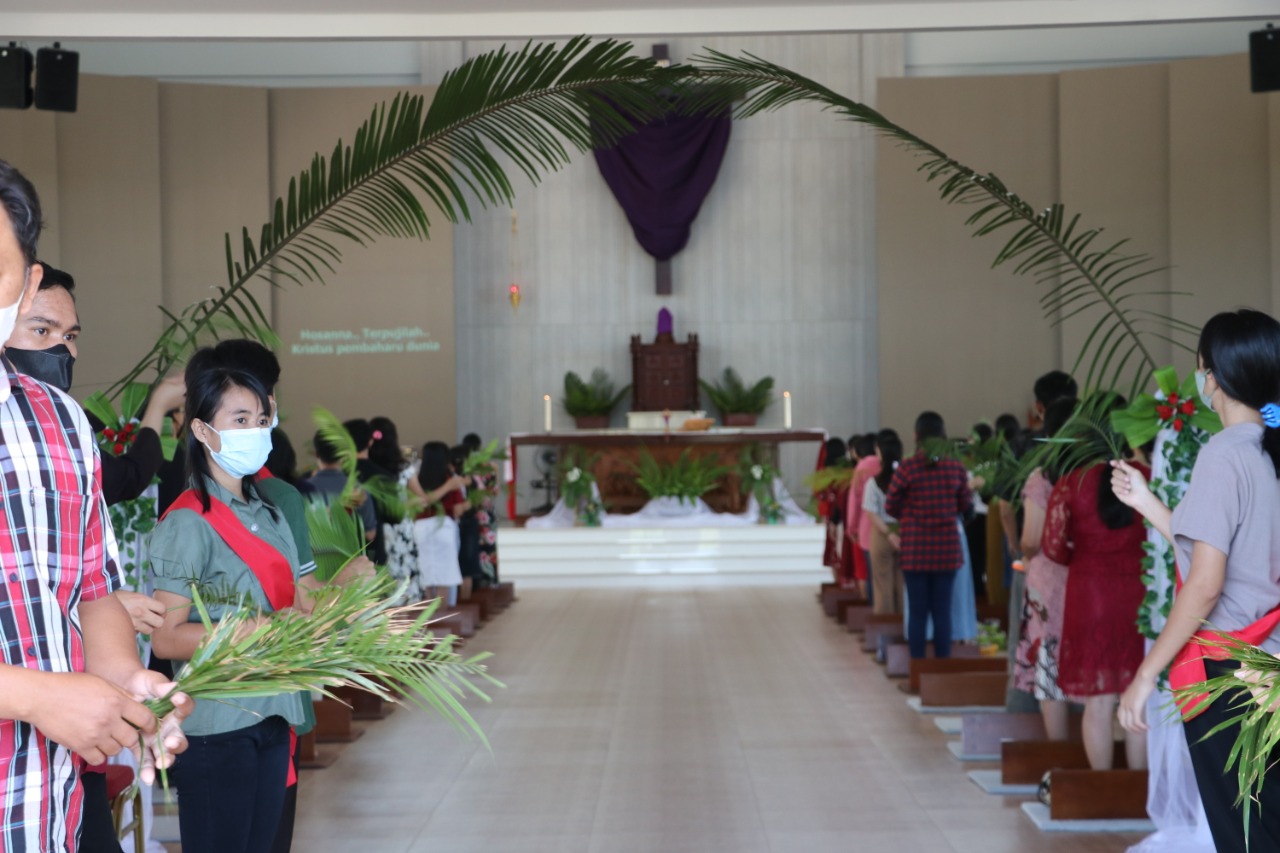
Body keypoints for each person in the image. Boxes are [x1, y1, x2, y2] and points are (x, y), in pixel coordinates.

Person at [0, 158, 190, 849]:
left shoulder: (59, 424)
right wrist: (34, 696)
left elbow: (93, 589)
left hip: (42, 814)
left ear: (27, 279)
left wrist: (125, 681)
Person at [1113, 309, 1280, 849]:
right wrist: (1148, 504)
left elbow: (1207, 583)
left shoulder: (1224, 454)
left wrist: (1146, 674)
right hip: (1273, 664)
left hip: (1232, 673)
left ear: (1214, 378)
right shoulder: (1268, 451)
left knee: (1245, 834)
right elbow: (1233, 552)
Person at [149, 357, 321, 853]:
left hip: (274, 713)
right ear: (202, 429)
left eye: (262, 420)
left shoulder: (269, 512)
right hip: (219, 726)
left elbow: (297, 603)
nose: (255, 431)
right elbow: (165, 635)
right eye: (240, 420)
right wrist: (250, 631)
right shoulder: (187, 522)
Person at [1042, 394, 1148, 773]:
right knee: (1138, 698)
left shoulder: (1072, 482)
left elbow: (1052, 547)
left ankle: (1100, 787)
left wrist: (1086, 558)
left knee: (1098, 702)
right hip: (1139, 593)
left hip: (1090, 594)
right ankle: (1139, 791)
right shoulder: (1145, 476)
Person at [1012, 397, 1077, 741]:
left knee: (1049, 665)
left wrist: (1022, 551)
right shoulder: (1095, 470)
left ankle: (1059, 751)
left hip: (1049, 578)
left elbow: (1031, 539)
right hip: (1087, 575)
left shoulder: (1043, 477)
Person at [885, 412, 973, 659]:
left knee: (918, 612)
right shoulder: (955, 467)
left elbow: (890, 505)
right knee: (942, 611)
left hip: (914, 550)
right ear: (943, 436)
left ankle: (918, 669)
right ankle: (941, 669)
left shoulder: (907, 467)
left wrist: (910, 514)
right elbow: (965, 504)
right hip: (946, 549)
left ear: (916, 436)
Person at [370, 417, 422, 601]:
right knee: (402, 573)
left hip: (375, 525)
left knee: (381, 573)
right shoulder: (403, 467)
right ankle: (405, 618)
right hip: (400, 524)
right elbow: (421, 499)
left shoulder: (367, 467)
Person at [415, 441, 467, 606]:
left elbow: (416, 503)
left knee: (426, 575)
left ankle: (428, 621)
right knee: (444, 575)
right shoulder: (450, 479)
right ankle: (443, 620)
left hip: (420, 528)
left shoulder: (416, 478)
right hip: (444, 526)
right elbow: (458, 509)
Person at [863, 432, 903, 615]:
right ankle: (905, 627)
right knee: (904, 584)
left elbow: (871, 512)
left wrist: (888, 533)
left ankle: (886, 634)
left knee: (882, 583)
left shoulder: (874, 482)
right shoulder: (906, 479)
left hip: (881, 535)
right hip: (906, 534)